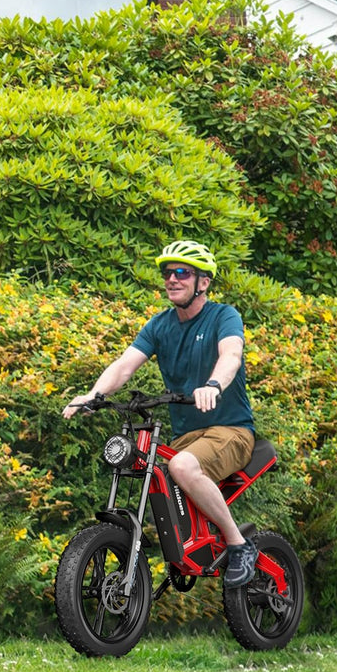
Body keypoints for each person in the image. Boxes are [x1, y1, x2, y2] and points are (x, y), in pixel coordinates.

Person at [62, 240, 259, 588]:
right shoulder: (159, 325)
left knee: (181, 465)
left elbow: (231, 355)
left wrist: (213, 385)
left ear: (204, 282)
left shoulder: (223, 316)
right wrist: (92, 396)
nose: (172, 279)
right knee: (155, 473)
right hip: (187, 437)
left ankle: (239, 545)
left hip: (230, 431)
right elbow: (125, 366)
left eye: (182, 272)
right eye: (167, 272)